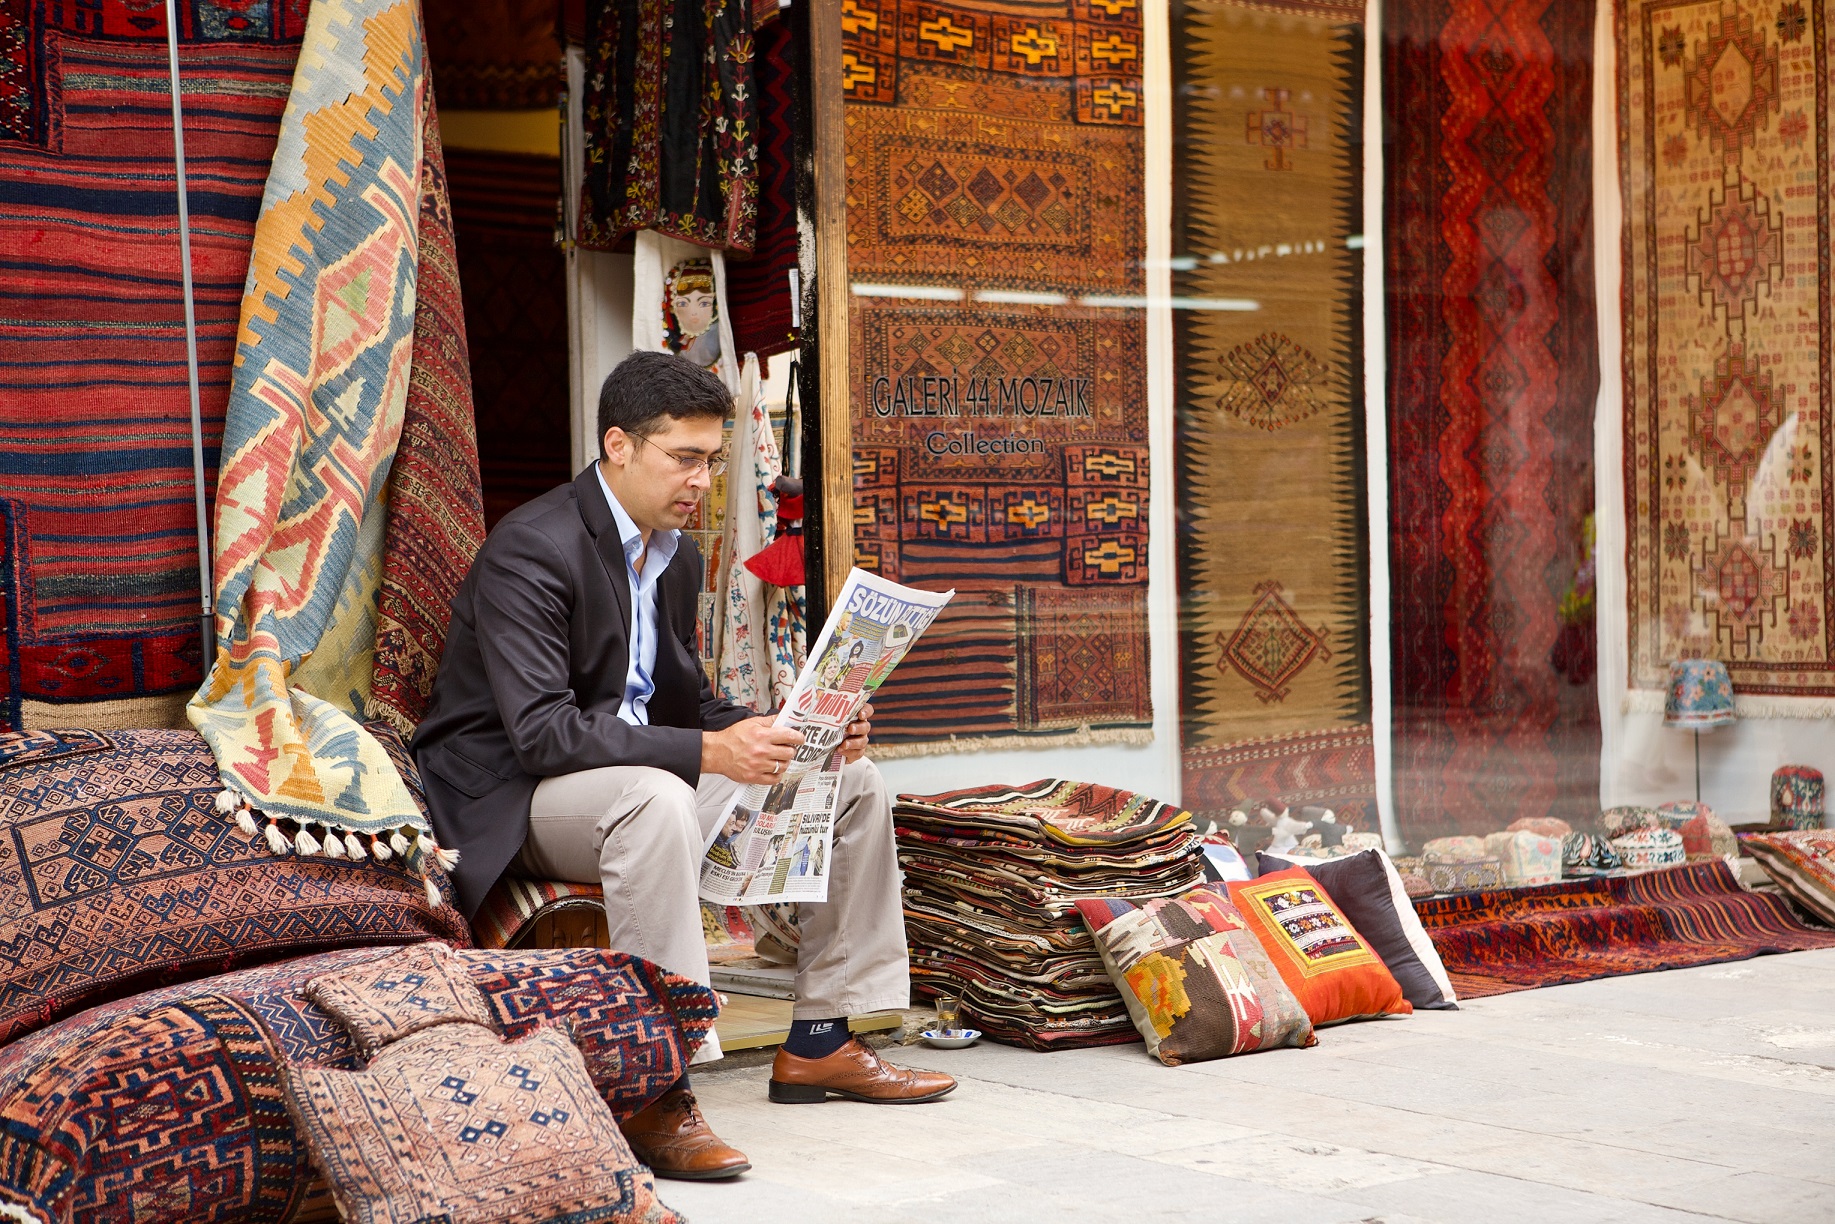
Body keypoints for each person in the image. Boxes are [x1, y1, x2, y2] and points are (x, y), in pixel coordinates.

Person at [413, 351, 954, 1183]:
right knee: (655, 798)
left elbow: (684, 704)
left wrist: (791, 731)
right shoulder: (531, 547)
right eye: (685, 459)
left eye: (713, 460)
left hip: (631, 778)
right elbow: (542, 734)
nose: (703, 481)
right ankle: (657, 1083)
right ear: (619, 445)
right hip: (512, 796)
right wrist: (710, 753)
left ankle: (821, 1039)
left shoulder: (676, 557)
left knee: (850, 783)